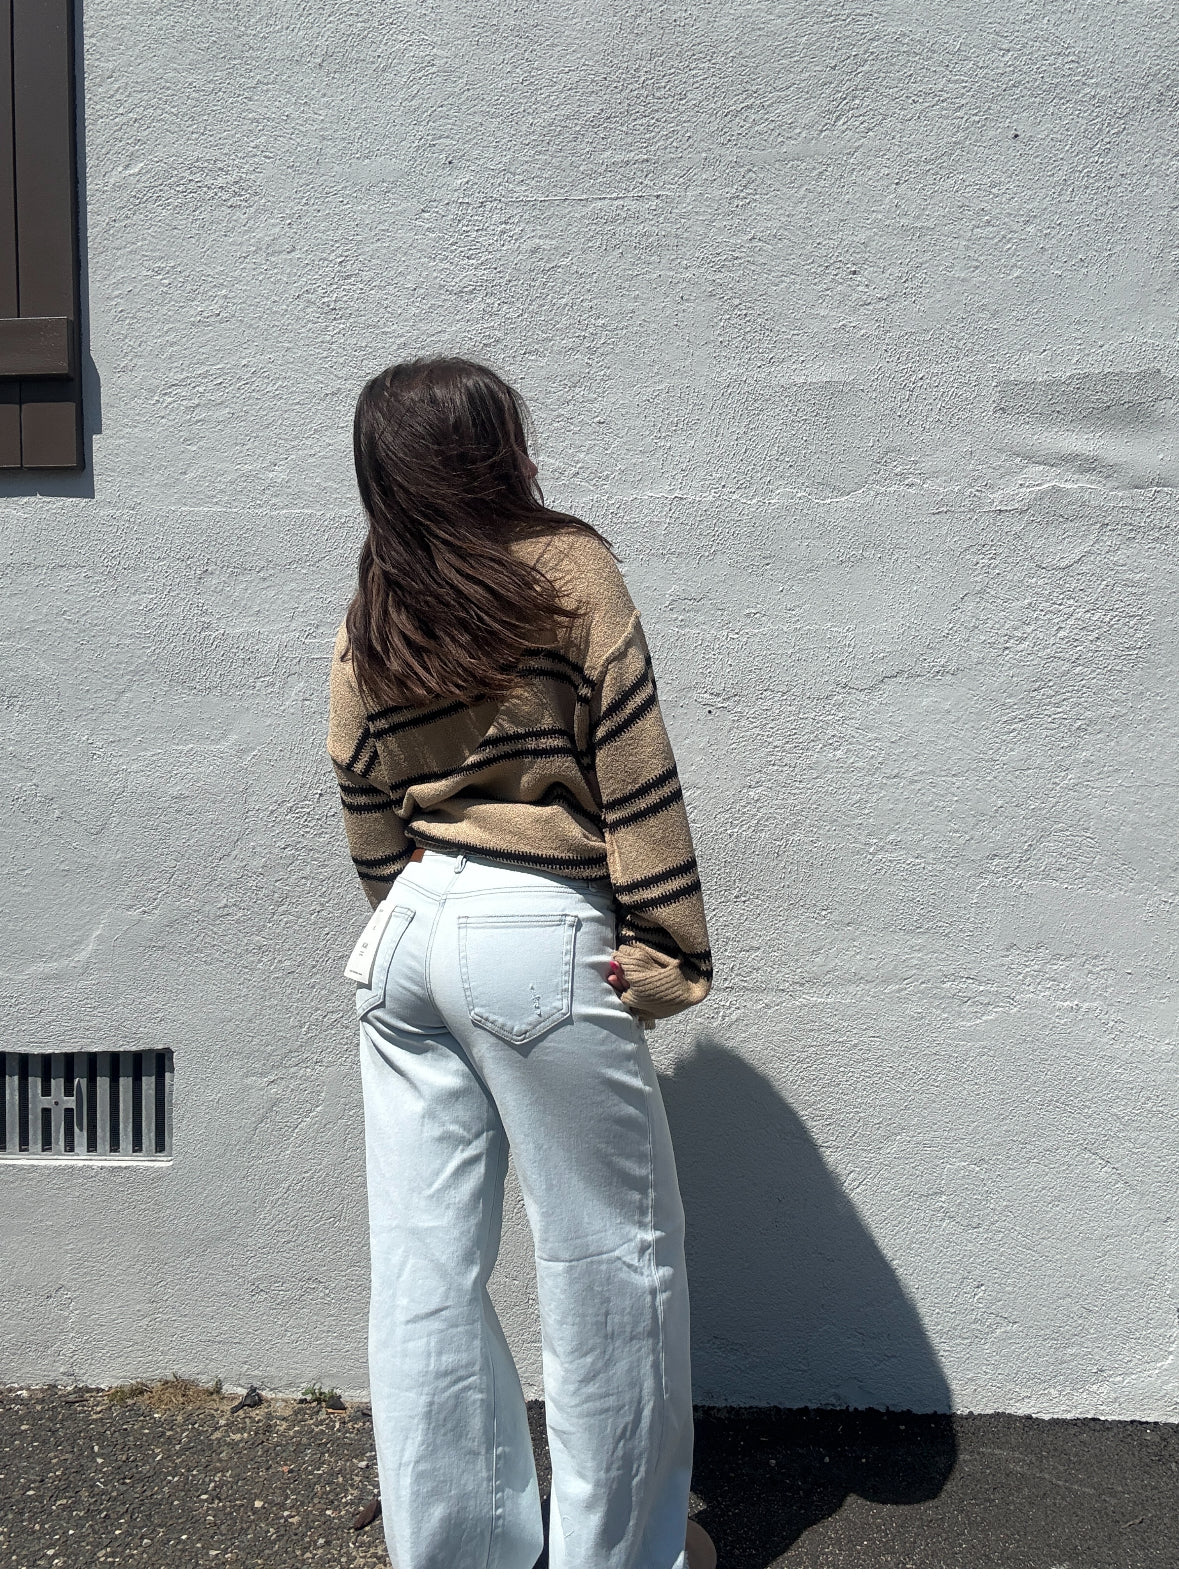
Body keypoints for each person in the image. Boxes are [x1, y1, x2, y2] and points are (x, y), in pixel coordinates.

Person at [326, 356, 716, 1569]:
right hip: (537, 926)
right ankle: (618, 1556)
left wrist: (411, 904)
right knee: (610, 1259)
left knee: (424, 1264)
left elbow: (357, 777)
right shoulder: (567, 566)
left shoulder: (377, 598)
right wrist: (666, 946)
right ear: (491, 447)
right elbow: (632, 758)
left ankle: (457, 1552)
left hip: (408, 938)